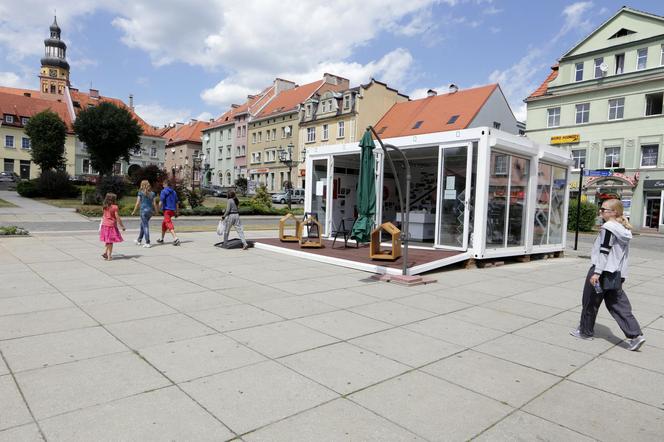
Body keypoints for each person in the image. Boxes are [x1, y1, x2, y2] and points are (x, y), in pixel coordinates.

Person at [571, 198, 646, 351]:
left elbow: (604, 252)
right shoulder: (623, 229)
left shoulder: (609, 227)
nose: (600, 211)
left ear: (615, 212)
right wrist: (622, 275)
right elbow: (623, 256)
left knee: (590, 301)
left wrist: (596, 273)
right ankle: (635, 336)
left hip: (601, 271)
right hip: (615, 273)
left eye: (604, 209)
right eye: (601, 208)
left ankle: (585, 332)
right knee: (618, 304)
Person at [131, 180, 158, 248]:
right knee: (142, 225)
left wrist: (134, 211)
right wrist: (156, 211)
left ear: (142, 185)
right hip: (150, 211)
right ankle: (139, 240)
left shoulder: (140, 193)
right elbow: (154, 203)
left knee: (145, 226)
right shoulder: (152, 193)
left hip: (143, 211)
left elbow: (137, 203)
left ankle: (147, 242)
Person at [99, 192, 125, 260]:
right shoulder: (115, 207)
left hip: (104, 225)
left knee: (108, 240)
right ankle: (109, 256)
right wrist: (122, 226)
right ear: (114, 200)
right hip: (111, 226)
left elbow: (104, 215)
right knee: (110, 241)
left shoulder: (104, 206)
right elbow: (117, 217)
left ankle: (105, 253)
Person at [157, 179, 180, 246]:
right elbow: (177, 203)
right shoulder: (174, 192)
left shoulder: (163, 191)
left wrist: (157, 210)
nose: (162, 185)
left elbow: (161, 201)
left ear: (166, 184)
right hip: (172, 211)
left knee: (168, 223)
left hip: (166, 210)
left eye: (163, 184)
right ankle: (161, 239)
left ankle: (176, 238)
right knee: (164, 224)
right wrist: (177, 212)